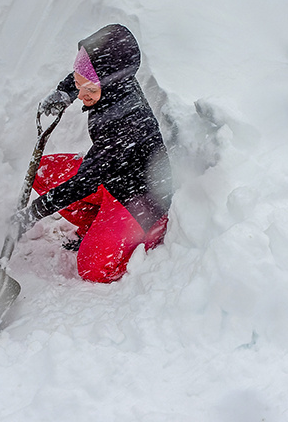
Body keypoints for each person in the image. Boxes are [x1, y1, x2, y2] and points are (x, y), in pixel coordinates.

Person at [12, 24, 173, 283]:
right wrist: (65, 91)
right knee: (41, 171)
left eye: (89, 89)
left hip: (138, 201)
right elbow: (82, 75)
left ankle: (141, 238)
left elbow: (84, 182)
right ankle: (97, 227)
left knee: (92, 268)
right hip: (109, 178)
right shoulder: (107, 82)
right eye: (79, 85)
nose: (82, 92)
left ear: (110, 83)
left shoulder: (128, 121)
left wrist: (33, 212)